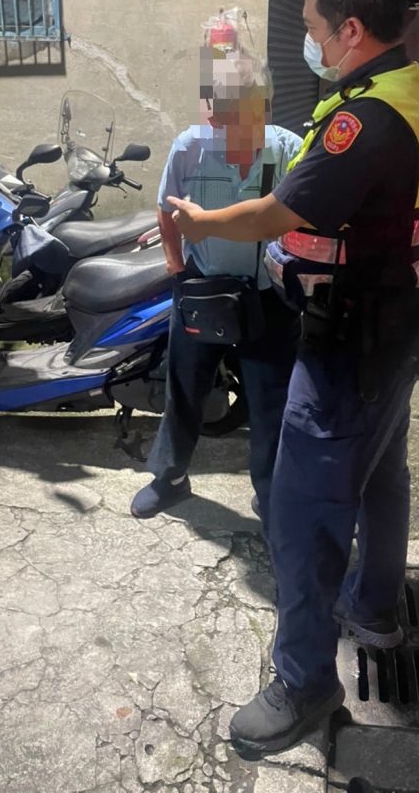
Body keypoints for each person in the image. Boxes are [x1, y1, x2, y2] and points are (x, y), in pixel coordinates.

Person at [167, 0, 419, 756]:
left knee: (300, 516)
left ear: (351, 30)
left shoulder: (365, 121)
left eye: (314, 28)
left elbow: (274, 214)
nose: (310, 42)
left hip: (346, 351)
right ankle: (375, 607)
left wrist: (200, 221)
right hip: (400, 333)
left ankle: (304, 682)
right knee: (384, 477)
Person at [130, 38, 302, 535]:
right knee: (184, 389)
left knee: (270, 405)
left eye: (237, 118)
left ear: (263, 110)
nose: (225, 130)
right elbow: (166, 209)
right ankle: (170, 477)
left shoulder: (288, 151)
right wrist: (177, 270)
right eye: (219, 117)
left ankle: (270, 497)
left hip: (268, 298)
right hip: (204, 289)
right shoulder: (190, 148)